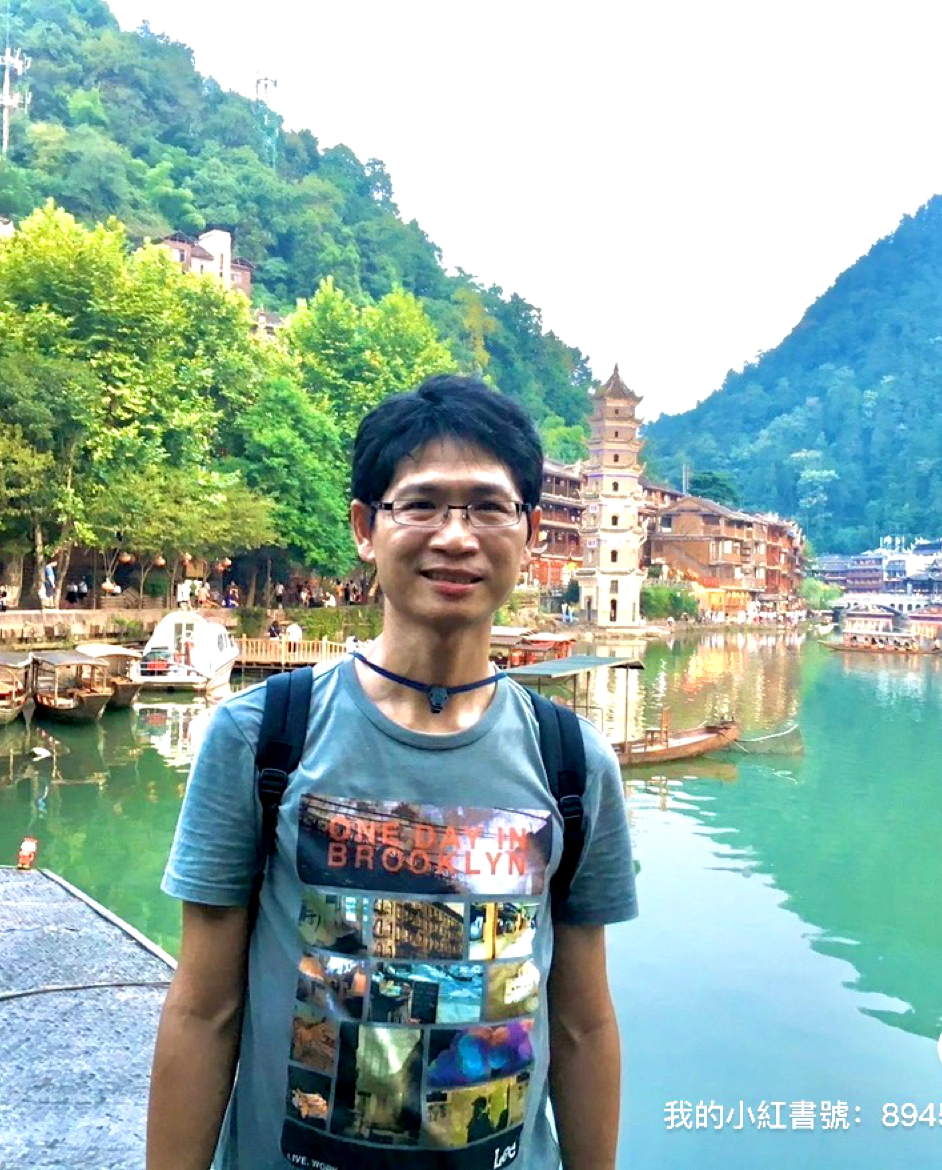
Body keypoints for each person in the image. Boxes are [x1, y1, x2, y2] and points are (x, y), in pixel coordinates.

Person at [149, 374, 637, 1170]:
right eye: (422, 504)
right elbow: (203, 1011)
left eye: (488, 507)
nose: (456, 536)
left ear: (529, 532)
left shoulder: (573, 762)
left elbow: (582, 1026)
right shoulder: (261, 739)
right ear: (365, 529)